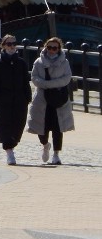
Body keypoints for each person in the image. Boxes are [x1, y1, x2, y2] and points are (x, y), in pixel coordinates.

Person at [28, 37, 75, 165]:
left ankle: (56, 154)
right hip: (42, 99)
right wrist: (46, 85)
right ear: (45, 48)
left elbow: (67, 78)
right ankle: (45, 144)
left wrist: (52, 84)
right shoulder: (38, 62)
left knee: (57, 127)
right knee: (40, 127)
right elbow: (34, 77)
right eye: (49, 48)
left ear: (59, 48)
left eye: (55, 48)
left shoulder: (64, 62)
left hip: (59, 99)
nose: (52, 51)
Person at [0, 35, 32, 165]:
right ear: (3, 45)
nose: (12, 46)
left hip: (20, 99)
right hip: (3, 100)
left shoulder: (21, 63)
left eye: (14, 43)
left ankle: (13, 143)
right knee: (4, 125)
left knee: (19, 124)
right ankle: (9, 151)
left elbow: (26, 81)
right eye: (9, 44)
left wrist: (27, 97)